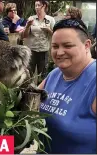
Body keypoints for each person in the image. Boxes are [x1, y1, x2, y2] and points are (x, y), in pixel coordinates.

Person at [38, 18, 96, 154]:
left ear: (87, 45)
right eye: (55, 46)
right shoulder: (55, 74)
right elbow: (25, 105)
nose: (59, 53)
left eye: (68, 46)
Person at [21, 0, 55, 78]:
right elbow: (24, 36)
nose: (36, 7)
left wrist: (48, 30)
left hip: (44, 51)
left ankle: (41, 89)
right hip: (32, 51)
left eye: (38, 5)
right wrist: (28, 26)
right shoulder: (31, 18)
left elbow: (55, 35)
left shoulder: (50, 19)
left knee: (43, 76)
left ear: (44, 6)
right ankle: (28, 90)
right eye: (35, 5)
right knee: (29, 74)